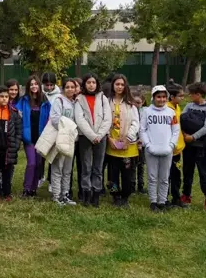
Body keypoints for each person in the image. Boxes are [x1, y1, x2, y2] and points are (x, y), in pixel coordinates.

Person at [74, 73, 112, 208]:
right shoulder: (79, 99)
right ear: (84, 84)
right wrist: (92, 135)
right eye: (88, 82)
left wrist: (99, 135)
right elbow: (80, 119)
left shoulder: (103, 98)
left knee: (98, 167)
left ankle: (96, 194)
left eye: (93, 82)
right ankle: (86, 194)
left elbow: (108, 118)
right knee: (86, 166)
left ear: (97, 84)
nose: (91, 85)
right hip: (85, 137)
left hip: (101, 137)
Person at [139, 86, 179, 212]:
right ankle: (153, 201)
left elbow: (175, 130)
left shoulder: (171, 112)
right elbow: (142, 129)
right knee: (152, 177)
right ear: (153, 97)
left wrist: (171, 145)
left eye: (163, 97)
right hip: (151, 149)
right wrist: (147, 144)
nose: (161, 99)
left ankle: (162, 201)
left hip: (167, 149)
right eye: (158, 97)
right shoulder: (146, 111)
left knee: (164, 177)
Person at [181, 82, 206, 210]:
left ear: (199, 94)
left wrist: (193, 137)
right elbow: (182, 119)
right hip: (188, 146)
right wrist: (185, 134)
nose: (189, 96)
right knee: (187, 170)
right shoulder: (189, 106)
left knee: (204, 172)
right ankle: (186, 195)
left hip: (201, 146)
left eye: (191, 94)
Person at [104, 74, 140, 208]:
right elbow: (104, 121)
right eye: (117, 84)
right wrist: (109, 137)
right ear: (113, 86)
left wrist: (128, 138)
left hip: (128, 147)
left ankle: (125, 196)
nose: (119, 87)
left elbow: (136, 123)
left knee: (127, 175)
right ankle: (115, 196)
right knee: (113, 175)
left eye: (122, 84)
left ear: (125, 87)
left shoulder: (131, 105)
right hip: (112, 145)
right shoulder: (107, 103)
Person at [18, 75, 51, 198]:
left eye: (36, 84)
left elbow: (50, 117)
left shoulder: (45, 100)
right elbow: (17, 115)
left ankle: (33, 189)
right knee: (31, 163)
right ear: (28, 86)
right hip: (29, 138)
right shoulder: (24, 100)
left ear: (39, 85)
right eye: (31, 84)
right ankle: (26, 189)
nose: (34, 86)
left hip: (41, 138)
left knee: (38, 164)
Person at [49, 79, 78, 206]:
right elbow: (55, 119)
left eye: (72, 87)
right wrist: (68, 127)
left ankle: (65, 194)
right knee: (57, 168)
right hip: (60, 139)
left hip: (71, 140)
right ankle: (56, 195)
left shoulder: (76, 102)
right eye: (67, 87)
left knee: (67, 169)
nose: (70, 89)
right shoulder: (59, 100)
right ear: (63, 88)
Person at [166, 84, 186, 207]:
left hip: (178, 149)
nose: (182, 98)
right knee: (166, 175)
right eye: (180, 96)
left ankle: (176, 197)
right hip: (168, 149)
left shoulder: (177, 107)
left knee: (176, 174)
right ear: (172, 97)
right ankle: (164, 198)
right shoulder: (166, 110)